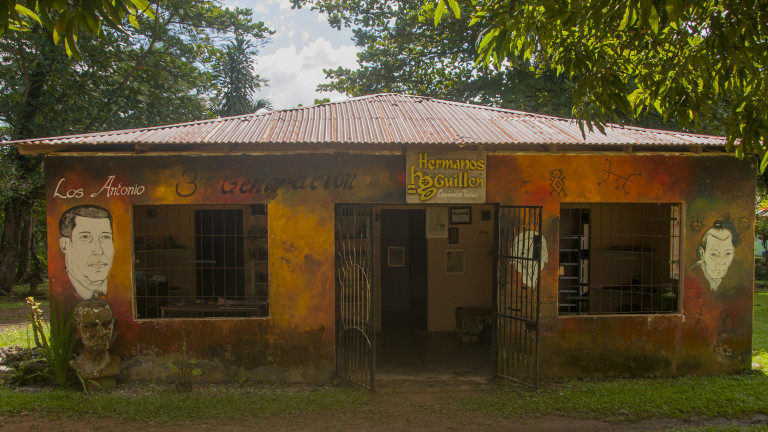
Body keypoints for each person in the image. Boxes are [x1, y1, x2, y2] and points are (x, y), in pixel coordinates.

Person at [58, 205, 114, 299]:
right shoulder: (59, 290)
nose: (99, 251)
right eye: (85, 237)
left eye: (105, 237)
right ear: (64, 245)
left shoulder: (122, 287)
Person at [70, 298, 121, 381]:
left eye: (106, 324)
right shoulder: (75, 366)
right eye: (91, 326)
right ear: (76, 330)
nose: (101, 333)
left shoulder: (117, 362)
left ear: (113, 325)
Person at [694, 221, 735, 291]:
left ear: (733, 253)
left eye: (728, 254)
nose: (721, 262)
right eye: (714, 254)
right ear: (702, 253)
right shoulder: (692, 275)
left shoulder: (739, 276)